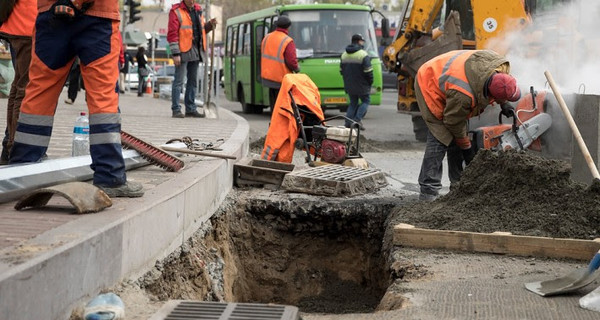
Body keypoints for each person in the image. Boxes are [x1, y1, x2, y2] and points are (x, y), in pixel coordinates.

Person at [9, 0, 144, 198]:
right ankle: (109, 176)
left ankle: (20, 172)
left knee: (40, 92)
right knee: (102, 97)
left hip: (51, 12)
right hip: (97, 15)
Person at [415, 49, 521, 201]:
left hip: (450, 78)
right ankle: (428, 192)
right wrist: (466, 147)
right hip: (429, 81)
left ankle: (457, 187)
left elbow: (499, 85)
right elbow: (453, 121)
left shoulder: (500, 65)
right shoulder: (464, 95)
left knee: (457, 136)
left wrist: (504, 103)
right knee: (441, 136)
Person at [0, 0, 37, 164]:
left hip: (19, 26)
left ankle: (10, 146)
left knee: (18, 87)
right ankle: (16, 147)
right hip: (26, 27)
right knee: (24, 88)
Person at [167, 0, 217, 118]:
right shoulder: (176, 11)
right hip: (182, 50)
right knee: (179, 80)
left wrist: (210, 25)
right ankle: (176, 109)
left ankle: (190, 108)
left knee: (192, 81)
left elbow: (202, 30)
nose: (192, 1)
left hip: (196, 49)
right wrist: (175, 54)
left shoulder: (198, 10)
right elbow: (172, 34)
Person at [260, 15, 299, 110]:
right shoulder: (287, 40)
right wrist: (296, 68)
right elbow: (291, 61)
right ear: (288, 27)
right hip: (281, 79)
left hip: (268, 78)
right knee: (283, 107)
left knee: (274, 106)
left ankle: (274, 123)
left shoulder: (266, 38)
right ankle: (280, 124)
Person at [340, 33, 373, 130]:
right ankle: (357, 120)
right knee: (366, 101)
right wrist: (370, 82)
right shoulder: (363, 54)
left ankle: (347, 122)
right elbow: (368, 71)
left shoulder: (344, 55)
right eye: (362, 41)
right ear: (359, 41)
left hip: (349, 84)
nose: (363, 43)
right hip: (362, 85)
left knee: (353, 103)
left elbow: (342, 71)